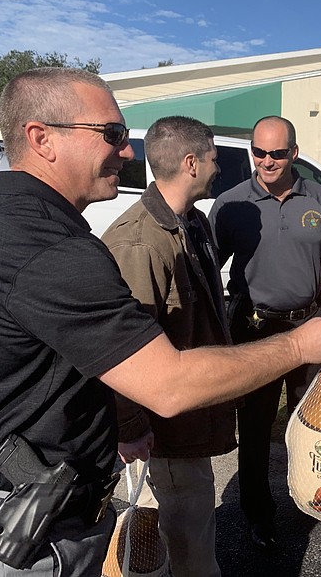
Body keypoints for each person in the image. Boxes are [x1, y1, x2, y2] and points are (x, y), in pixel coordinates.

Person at [0, 68, 321, 577]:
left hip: (36, 516)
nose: (128, 151)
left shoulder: (22, 227)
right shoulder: (51, 249)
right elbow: (166, 384)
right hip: (23, 534)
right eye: (113, 135)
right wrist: (297, 347)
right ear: (41, 139)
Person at [209, 115, 321, 551]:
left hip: (312, 323)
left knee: (313, 424)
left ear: (294, 152)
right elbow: (208, 271)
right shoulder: (231, 205)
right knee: (254, 428)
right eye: (259, 151)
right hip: (257, 330)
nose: (267, 161)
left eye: (277, 152)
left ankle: (313, 498)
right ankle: (258, 513)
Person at [101, 116, 233, 577]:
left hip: (190, 416)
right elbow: (120, 352)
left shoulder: (192, 223)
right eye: (215, 158)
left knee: (186, 525)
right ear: (191, 163)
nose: (219, 167)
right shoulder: (139, 242)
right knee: (188, 536)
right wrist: (133, 426)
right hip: (166, 429)